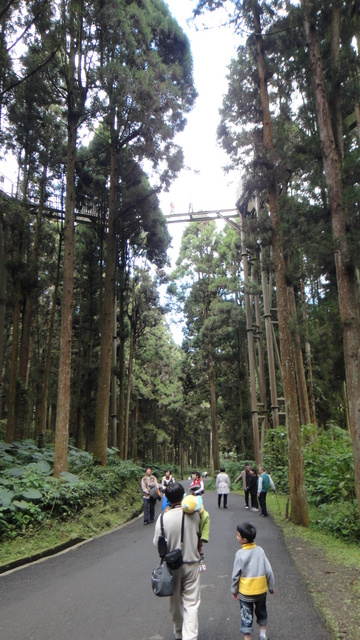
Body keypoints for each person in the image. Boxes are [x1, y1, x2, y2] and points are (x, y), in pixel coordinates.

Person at [153, 483, 202, 640]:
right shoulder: (194, 515)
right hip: (192, 563)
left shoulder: (162, 519)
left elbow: (157, 543)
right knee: (191, 602)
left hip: (172, 566)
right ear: (183, 496)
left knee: (175, 602)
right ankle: (190, 636)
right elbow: (200, 535)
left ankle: (179, 631)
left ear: (167, 498)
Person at [231, 522, 275, 640]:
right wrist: (271, 586)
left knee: (246, 616)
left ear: (244, 540)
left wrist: (234, 590)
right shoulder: (260, 550)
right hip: (261, 591)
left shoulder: (240, 554)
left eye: (238, 535)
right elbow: (269, 571)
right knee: (261, 611)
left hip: (246, 593)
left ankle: (247, 638)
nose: (237, 537)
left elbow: (236, 575)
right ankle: (262, 635)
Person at [181, 493, 210, 571]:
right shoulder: (202, 514)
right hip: (198, 534)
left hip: (194, 534)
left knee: (198, 547)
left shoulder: (187, 514)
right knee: (199, 547)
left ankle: (201, 561)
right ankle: (201, 562)